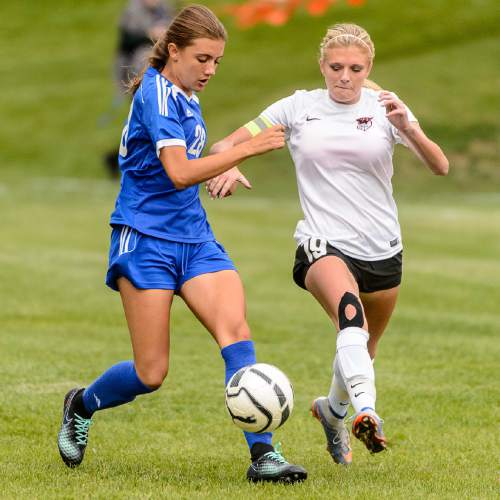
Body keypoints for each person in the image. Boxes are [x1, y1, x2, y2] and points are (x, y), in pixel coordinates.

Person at [58, 4, 307, 484]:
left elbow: (191, 167)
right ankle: (81, 405)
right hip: (144, 240)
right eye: (203, 59)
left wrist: (224, 165)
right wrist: (246, 149)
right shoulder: (157, 95)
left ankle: (264, 458)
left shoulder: (186, 93)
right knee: (151, 373)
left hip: (194, 237)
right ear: (174, 51)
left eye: (217, 61)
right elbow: (176, 173)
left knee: (236, 334)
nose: (211, 70)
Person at [206, 23, 449, 465]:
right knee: (349, 319)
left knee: (363, 348)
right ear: (322, 67)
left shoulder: (386, 106)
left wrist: (408, 129)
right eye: (336, 67)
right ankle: (367, 414)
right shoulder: (298, 107)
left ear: (368, 69)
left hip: (383, 247)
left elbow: (440, 165)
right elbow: (229, 141)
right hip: (322, 243)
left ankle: (332, 412)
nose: (344, 76)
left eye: (355, 68)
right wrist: (226, 163)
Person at [104, 0, 175, 177]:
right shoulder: (133, 10)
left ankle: (117, 159)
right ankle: (121, 160)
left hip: (163, 74)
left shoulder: (167, 8)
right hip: (137, 75)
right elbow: (125, 42)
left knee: (149, 123)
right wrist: (149, 34)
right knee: (145, 121)